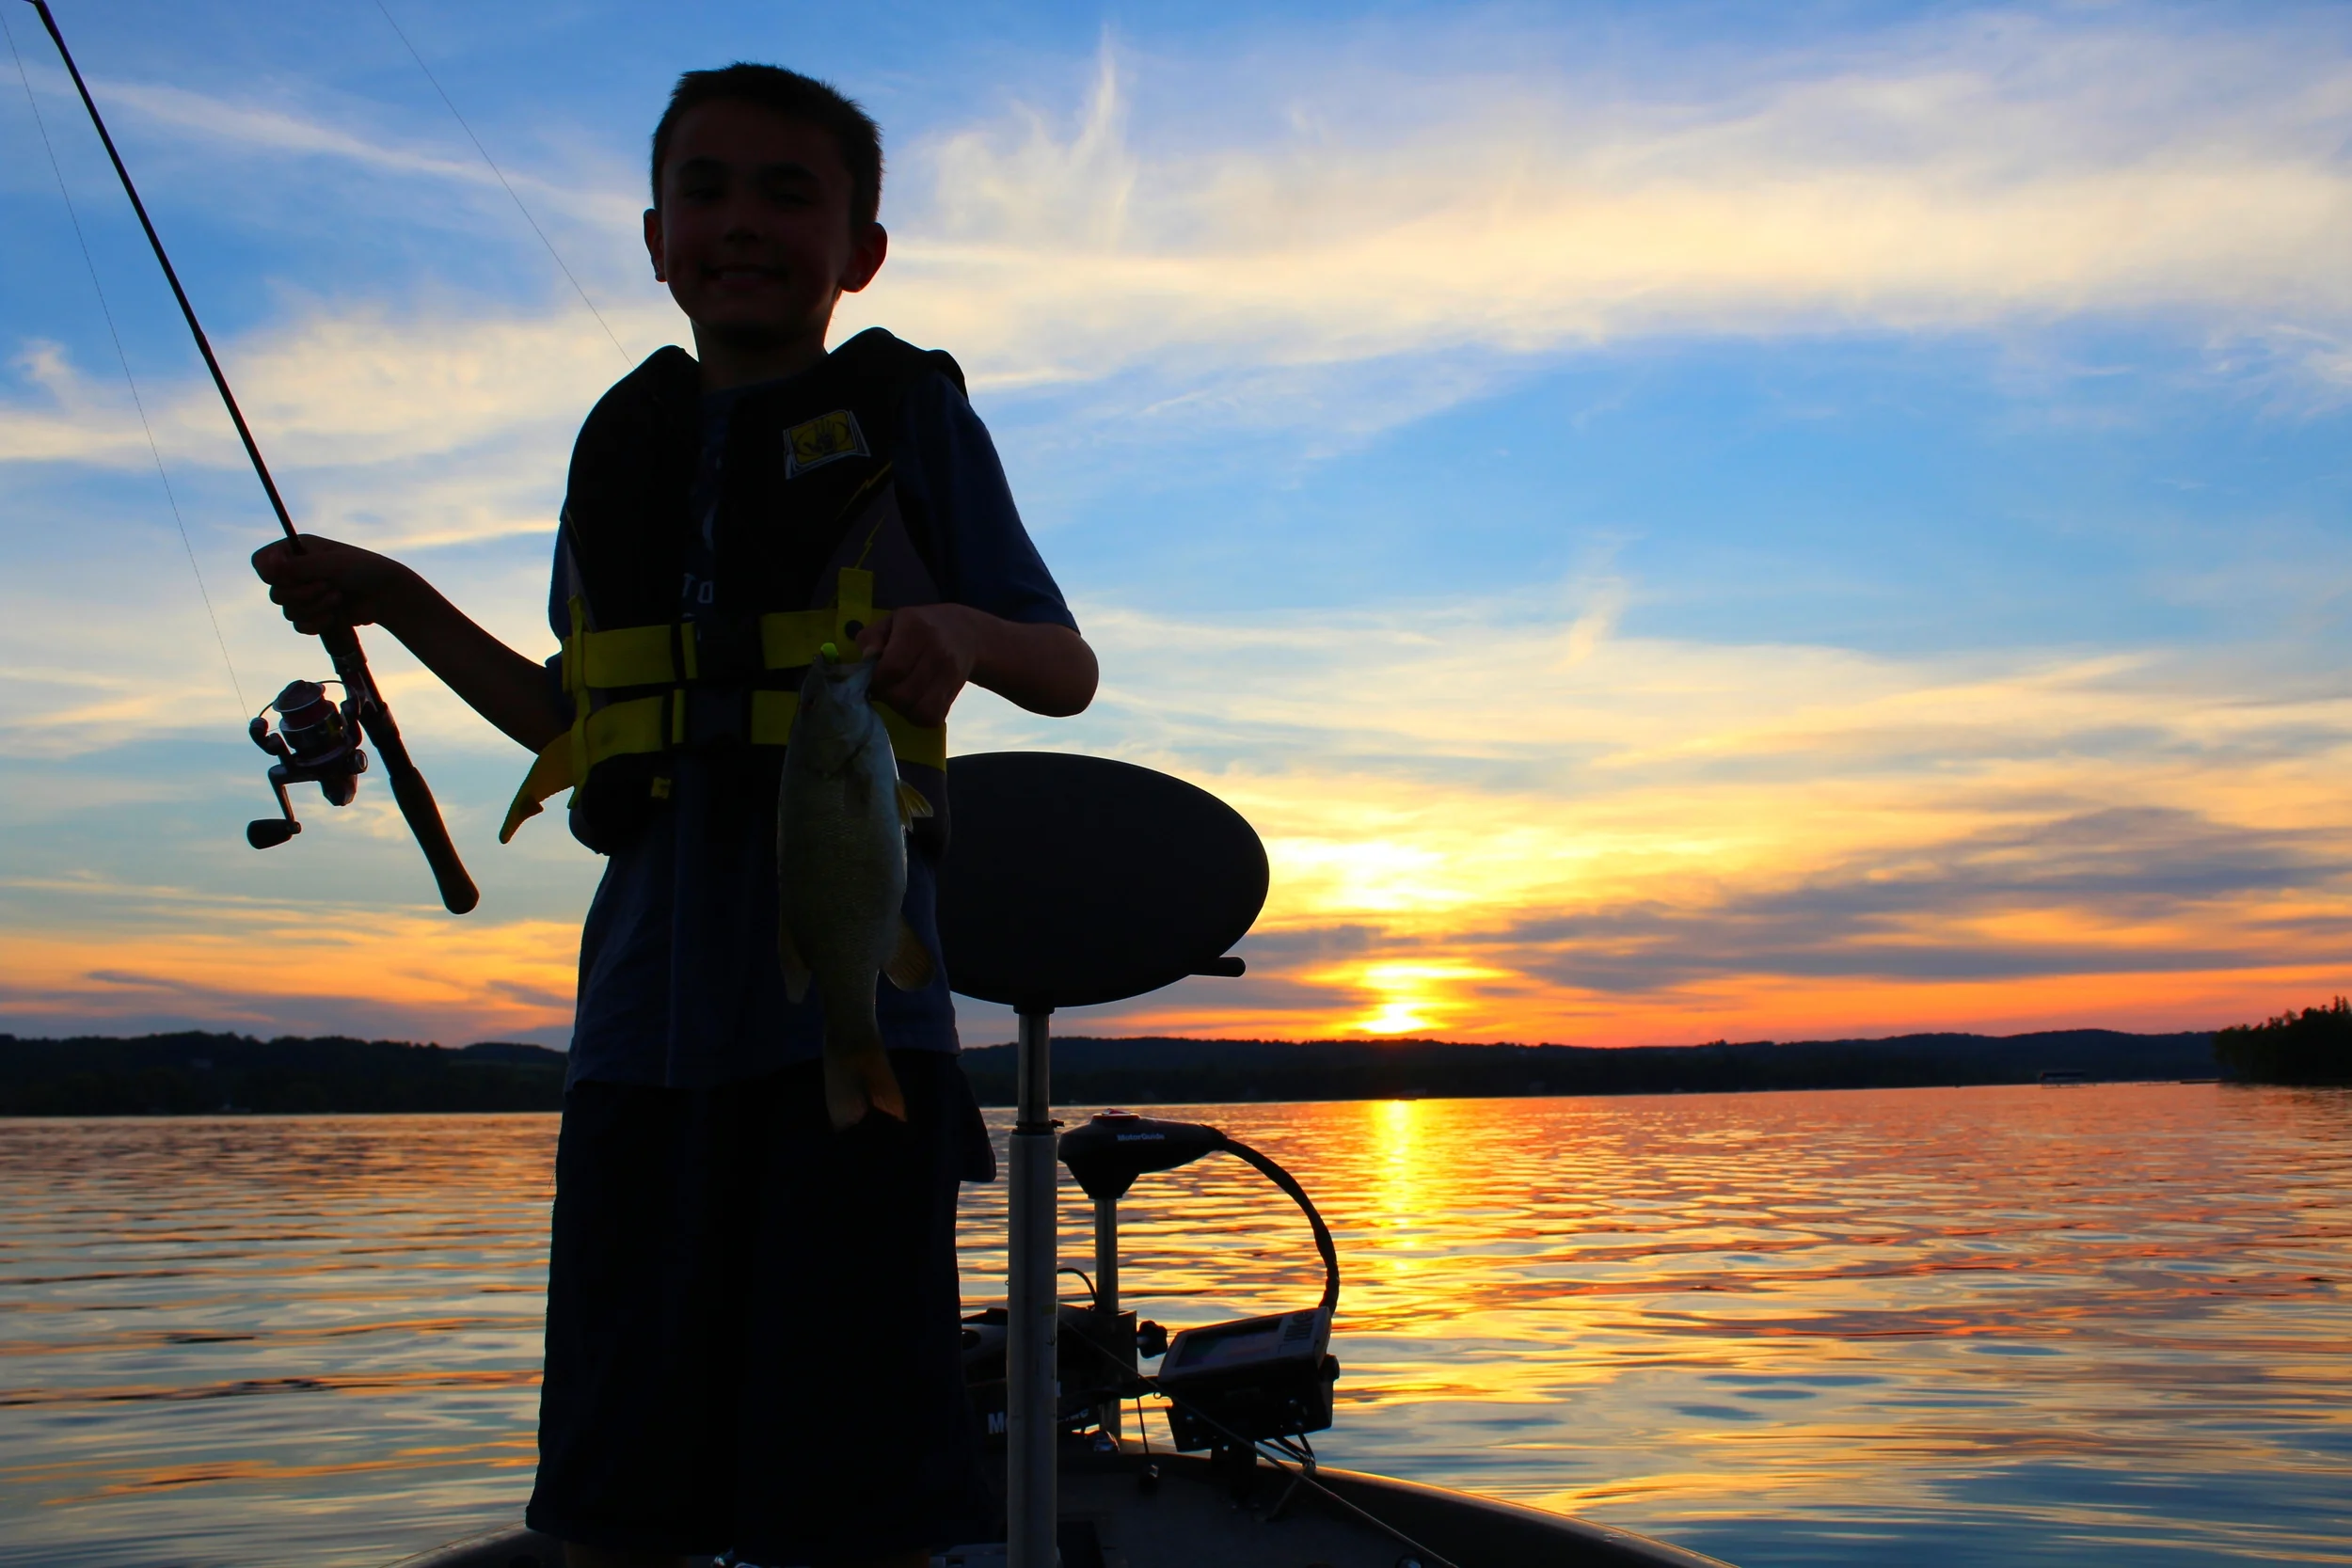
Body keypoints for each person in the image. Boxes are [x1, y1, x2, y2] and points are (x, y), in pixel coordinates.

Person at [253, 62, 1097, 1568]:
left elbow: (1066, 665)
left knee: (854, 1494)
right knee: (616, 1491)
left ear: (862, 251)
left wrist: (960, 632)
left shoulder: (909, 418)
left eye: (790, 192)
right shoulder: (621, 446)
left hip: (854, 1041)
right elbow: (575, 718)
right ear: (653, 236)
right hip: (637, 1044)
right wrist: (388, 596)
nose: (743, 222)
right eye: (705, 189)